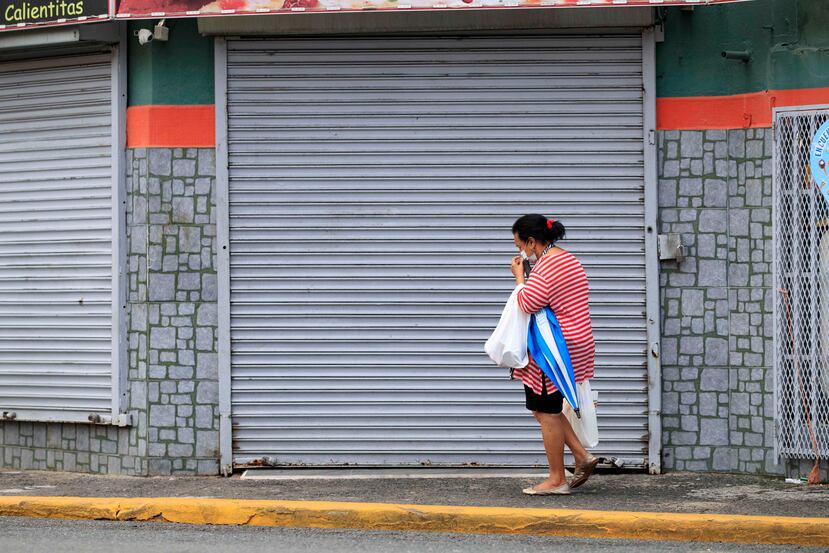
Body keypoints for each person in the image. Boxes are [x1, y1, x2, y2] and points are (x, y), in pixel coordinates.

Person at [510, 214, 598, 496]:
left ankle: (557, 479)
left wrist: (520, 276)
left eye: (519, 245)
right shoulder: (568, 259)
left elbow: (527, 303)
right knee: (544, 408)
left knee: (546, 411)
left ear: (531, 241)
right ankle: (582, 456)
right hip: (575, 342)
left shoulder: (547, 266)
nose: (519, 252)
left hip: (554, 348)